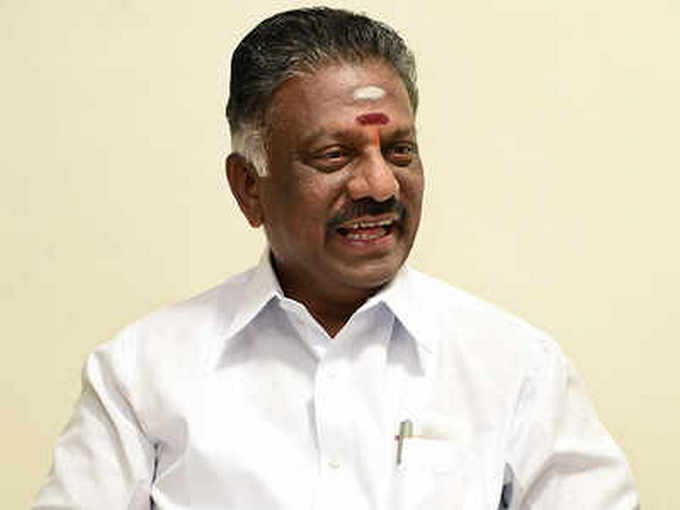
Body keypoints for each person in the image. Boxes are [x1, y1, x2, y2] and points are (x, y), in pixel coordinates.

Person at [33, 7, 639, 509]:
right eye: (334, 156)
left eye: (399, 150)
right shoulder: (142, 374)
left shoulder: (515, 368)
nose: (380, 184)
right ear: (249, 187)